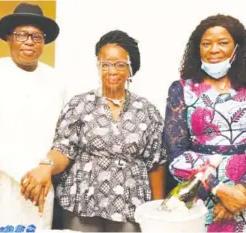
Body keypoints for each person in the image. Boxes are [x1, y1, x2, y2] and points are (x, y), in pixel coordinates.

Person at [21, 30, 166, 232]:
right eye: (105, 64)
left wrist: (158, 209)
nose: (112, 71)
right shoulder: (79, 104)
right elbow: (63, 149)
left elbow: (155, 162)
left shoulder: (147, 111)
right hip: (83, 201)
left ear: (131, 68)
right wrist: (47, 165)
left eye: (119, 64)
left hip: (130, 202)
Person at [0, 3, 66, 232]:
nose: (29, 41)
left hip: (41, 185)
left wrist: (42, 173)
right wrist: (25, 174)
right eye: (22, 35)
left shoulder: (56, 81)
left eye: (36, 36)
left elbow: (61, 136)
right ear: (9, 38)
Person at [163, 14, 246, 232]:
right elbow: (175, 154)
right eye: (206, 44)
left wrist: (241, 191)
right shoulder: (181, 90)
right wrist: (219, 190)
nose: (214, 49)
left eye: (223, 43)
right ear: (197, 48)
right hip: (200, 194)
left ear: (238, 47)